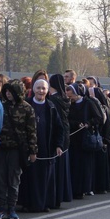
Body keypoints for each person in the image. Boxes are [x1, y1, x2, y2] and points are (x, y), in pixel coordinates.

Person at [0, 80, 36, 219]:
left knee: (14, 179)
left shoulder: (27, 108)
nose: (8, 94)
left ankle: (11, 208)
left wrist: (33, 151)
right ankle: (1, 208)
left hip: (17, 149)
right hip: (1, 148)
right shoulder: (0, 106)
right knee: (0, 179)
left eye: (11, 91)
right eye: (7, 91)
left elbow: (32, 131)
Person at [20, 79, 63, 212]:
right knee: (29, 175)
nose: (41, 91)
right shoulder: (27, 105)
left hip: (46, 146)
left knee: (45, 176)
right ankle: (29, 203)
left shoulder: (51, 107)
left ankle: (44, 204)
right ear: (33, 89)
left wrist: (58, 145)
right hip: (29, 147)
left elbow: (58, 128)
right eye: (38, 88)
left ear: (47, 90)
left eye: (43, 88)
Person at [66, 83, 103, 199]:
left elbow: (99, 117)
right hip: (74, 138)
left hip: (85, 138)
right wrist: (76, 124)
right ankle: (74, 189)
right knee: (74, 164)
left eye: (72, 97)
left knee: (84, 165)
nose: (70, 99)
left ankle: (84, 188)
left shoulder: (88, 103)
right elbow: (68, 120)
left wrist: (88, 123)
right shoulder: (70, 105)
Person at [49, 73, 72, 208]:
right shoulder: (64, 98)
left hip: (57, 135)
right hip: (65, 134)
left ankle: (54, 196)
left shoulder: (53, 100)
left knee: (55, 168)